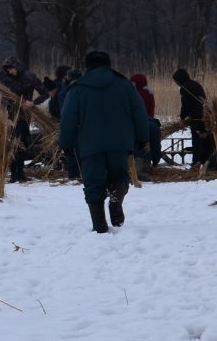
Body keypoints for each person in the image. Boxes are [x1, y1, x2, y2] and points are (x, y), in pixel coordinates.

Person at [56, 50, 156, 234]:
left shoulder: (77, 89)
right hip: (120, 143)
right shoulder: (124, 85)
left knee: (93, 183)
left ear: (87, 66)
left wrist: (66, 144)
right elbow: (139, 113)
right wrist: (143, 138)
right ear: (108, 64)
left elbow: (68, 119)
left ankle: (100, 227)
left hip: (89, 145)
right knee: (120, 176)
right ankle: (116, 197)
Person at [0, 57, 46, 182]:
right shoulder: (5, 75)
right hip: (6, 115)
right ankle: (14, 172)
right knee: (8, 142)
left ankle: (19, 173)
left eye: (11, 69)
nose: (9, 72)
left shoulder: (29, 77)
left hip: (23, 115)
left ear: (17, 67)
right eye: (7, 70)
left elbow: (45, 93)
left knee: (20, 142)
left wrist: (33, 103)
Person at [172, 68, 213, 169]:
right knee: (206, 141)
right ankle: (207, 161)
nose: (176, 83)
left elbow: (185, 105)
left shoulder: (185, 88)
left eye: (176, 81)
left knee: (197, 141)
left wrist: (182, 118)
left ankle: (196, 163)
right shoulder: (195, 84)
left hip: (196, 117)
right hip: (204, 114)